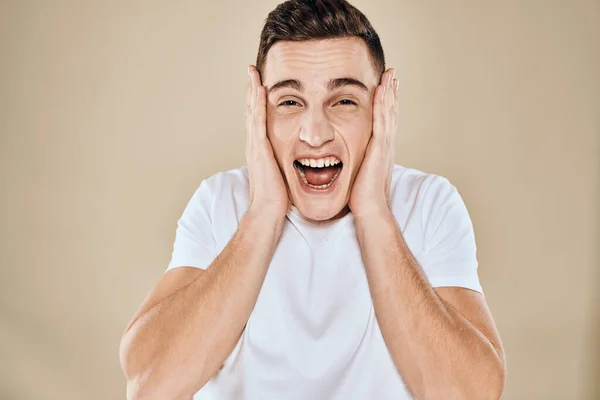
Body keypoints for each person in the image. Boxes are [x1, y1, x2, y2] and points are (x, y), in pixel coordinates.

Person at [119, 0, 506, 399]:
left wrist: (373, 209)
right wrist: (264, 211)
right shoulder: (220, 201)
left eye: (344, 101)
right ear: (259, 112)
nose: (315, 133)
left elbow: (471, 394)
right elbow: (150, 384)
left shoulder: (429, 203)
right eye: (289, 102)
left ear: (381, 107)